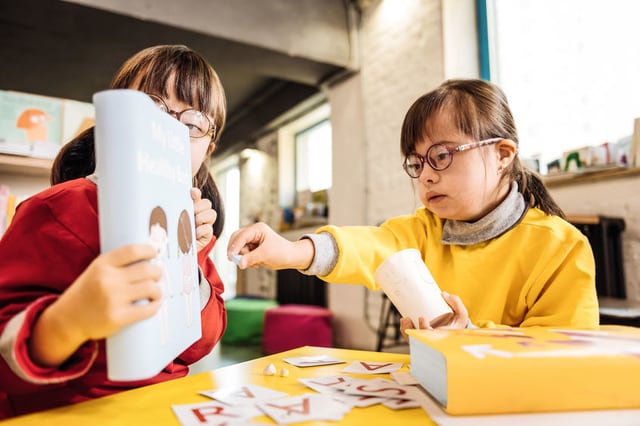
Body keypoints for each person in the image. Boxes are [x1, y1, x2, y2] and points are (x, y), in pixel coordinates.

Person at [227, 78, 599, 337]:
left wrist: (467, 336)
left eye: (441, 155)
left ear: (502, 154)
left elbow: (564, 347)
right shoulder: (423, 230)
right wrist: (293, 251)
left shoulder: (560, 247)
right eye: (417, 163)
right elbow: (370, 247)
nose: (426, 176)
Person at [0, 45, 227, 418]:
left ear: (207, 149)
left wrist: (195, 258)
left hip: (164, 409)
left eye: (191, 125)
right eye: (151, 109)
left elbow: (199, 344)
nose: (170, 129)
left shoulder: (192, 222)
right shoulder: (53, 209)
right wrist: (68, 320)